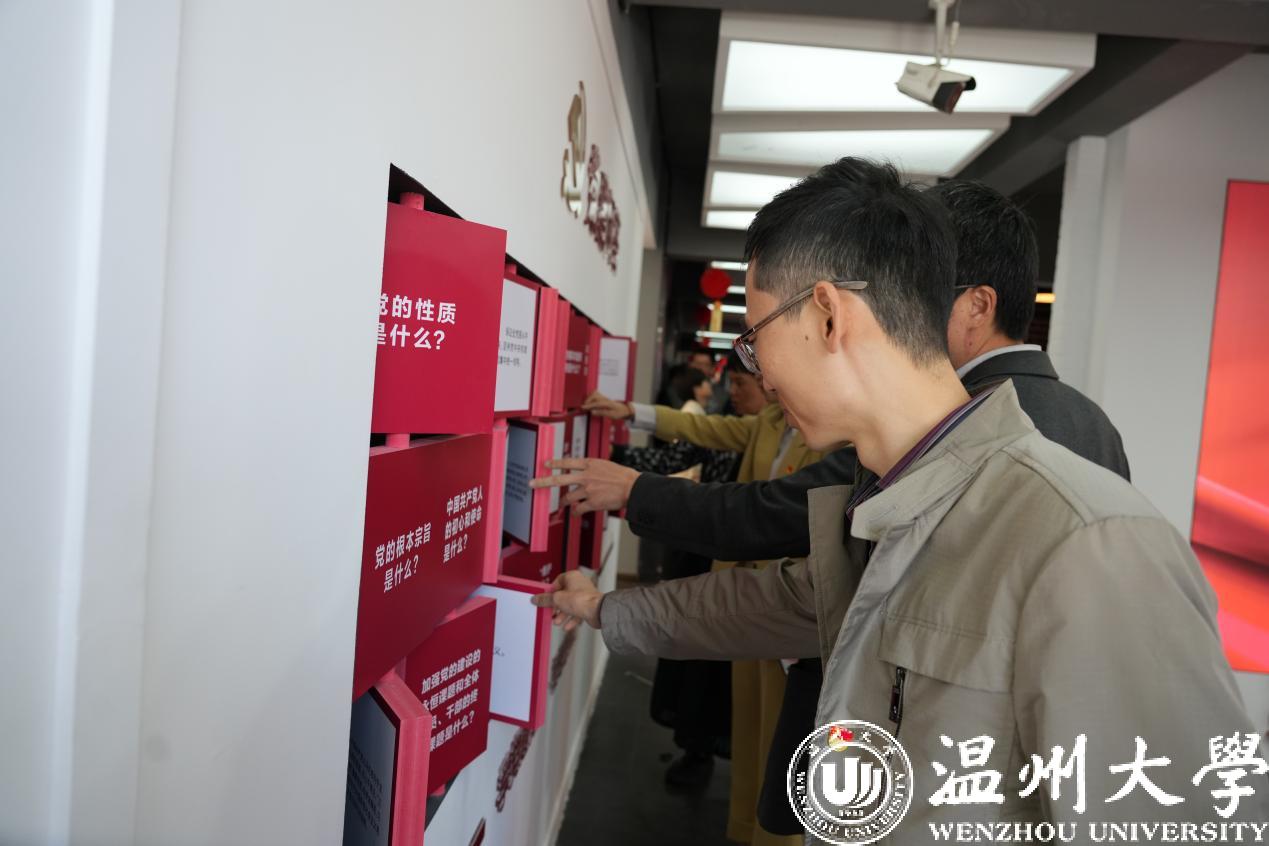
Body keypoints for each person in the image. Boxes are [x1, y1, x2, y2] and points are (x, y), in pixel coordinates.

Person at [533, 158, 1266, 839]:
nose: (758, 371)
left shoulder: (1092, 539)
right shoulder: (892, 492)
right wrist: (605, 610)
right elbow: (792, 603)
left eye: (755, 338)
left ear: (828, 315)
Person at [587, 350, 827, 845]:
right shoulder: (772, 420)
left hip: (795, 611)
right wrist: (633, 412)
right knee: (750, 731)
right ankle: (745, 831)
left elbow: (763, 511)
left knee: (784, 752)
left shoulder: (838, 435)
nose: (756, 379)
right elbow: (707, 429)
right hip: (745, 603)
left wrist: (635, 490)